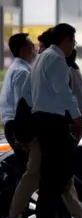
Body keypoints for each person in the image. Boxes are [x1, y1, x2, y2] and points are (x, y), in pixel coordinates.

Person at [29, 23, 82, 218]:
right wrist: (78, 117)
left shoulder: (42, 58)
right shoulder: (56, 59)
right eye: (73, 41)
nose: (74, 46)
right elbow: (63, 91)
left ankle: (46, 217)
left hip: (42, 118)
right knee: (60, 168)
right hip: (53, 121)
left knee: (50, 170)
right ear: (66, 40)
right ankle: (46, 217)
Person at [0, 33, 36, 182]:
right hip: (18, 126)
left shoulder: (16, 68)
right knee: (27, 173)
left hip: (14, 126)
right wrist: (24, 137)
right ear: (23, 50)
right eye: (31, 45)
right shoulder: (22, 72)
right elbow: (22, 106)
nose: (34, 49)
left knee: (26, 172)